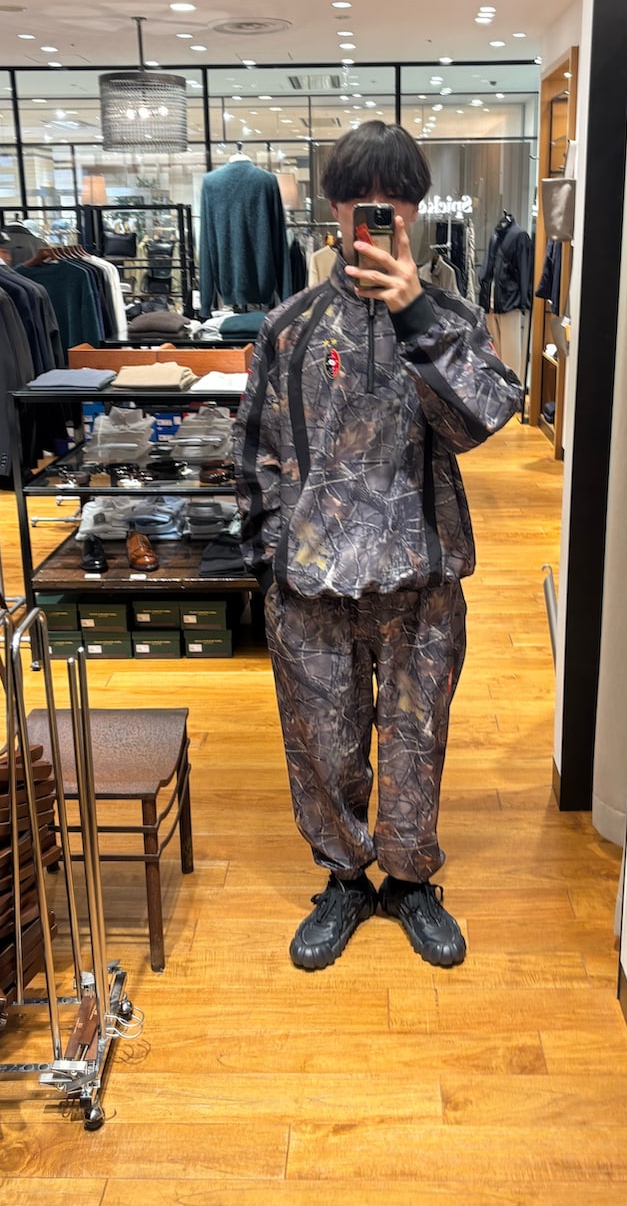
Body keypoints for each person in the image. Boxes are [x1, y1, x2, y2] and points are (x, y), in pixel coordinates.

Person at [233, 121, 521, 971]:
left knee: (416, 739)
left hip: (420, 582)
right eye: (362, 202)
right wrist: (269, 569)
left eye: (394, 202)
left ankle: (411, 878)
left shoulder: (450, 319)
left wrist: (414, 313)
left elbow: (481, 418)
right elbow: (254, 451)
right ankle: (345, 877)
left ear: (414, 212)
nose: (377, 216)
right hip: (311, 584)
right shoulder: (288, 327)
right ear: (334, 211)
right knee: (323, 746)